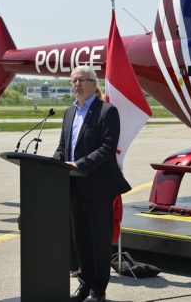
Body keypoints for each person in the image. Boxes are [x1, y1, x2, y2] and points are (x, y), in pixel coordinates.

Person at [54, 65, 131, 302]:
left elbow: (107, 148)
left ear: (93, 83)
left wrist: (80, 165)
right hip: (75, 188)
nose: (76, 84)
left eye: (81, 80)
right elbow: (62, 147)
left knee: (99, 241)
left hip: (98, 188)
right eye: (73, 81)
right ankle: (84, 284)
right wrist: (54, 165)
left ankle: (99, 289)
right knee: (81, 240)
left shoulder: (107, 111)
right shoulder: (70, 112)